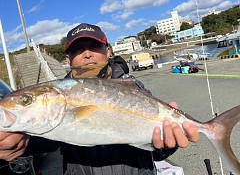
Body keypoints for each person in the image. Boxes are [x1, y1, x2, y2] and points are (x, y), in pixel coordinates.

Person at [0, 23, 199, 175]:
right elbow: (40, 140)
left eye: (94, 46)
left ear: (108, 52)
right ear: (68, 60)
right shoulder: (60, 95)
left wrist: (165, 145)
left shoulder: (134, 86)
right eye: (78, 50)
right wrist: (16, 145)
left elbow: (154, 148)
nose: (87, 54)